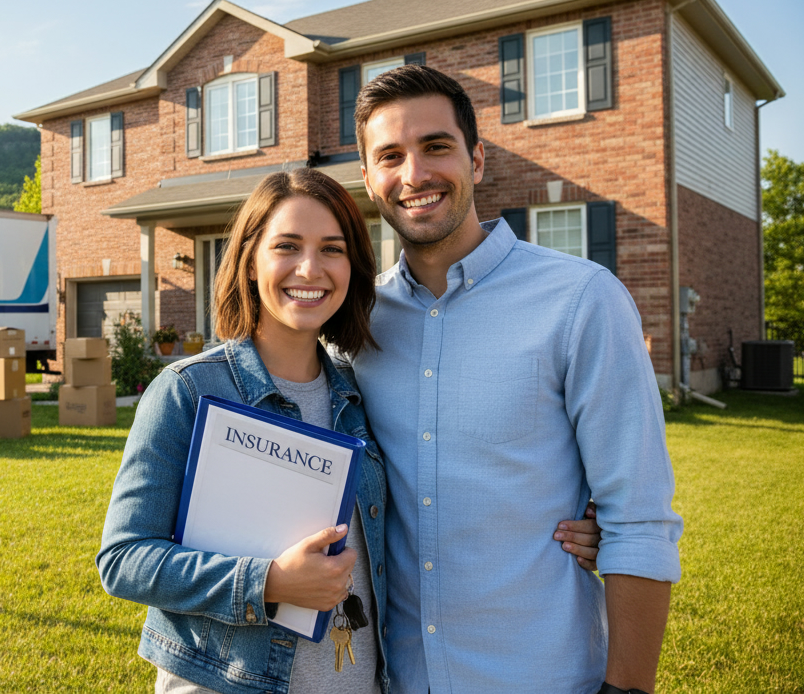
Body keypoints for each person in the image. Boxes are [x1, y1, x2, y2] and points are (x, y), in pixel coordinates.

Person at [97, 167, 602, 694]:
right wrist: (268, 582)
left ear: (353, 267)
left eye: (332, 249)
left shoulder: (356, 394)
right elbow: (124, 559)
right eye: (287, 246)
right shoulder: (188, 390)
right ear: (249, 259)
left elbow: (428, 489)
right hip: (232, 682)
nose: (310, 269)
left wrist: (583, 525)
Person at [351, 64, 683, 694]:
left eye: (436, 147)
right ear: (369, 179)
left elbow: (638, 518)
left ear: (476, 160)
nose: (414, 174)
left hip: (543, 675)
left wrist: (628, 687)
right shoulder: (356, 322)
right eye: (390, 156)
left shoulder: (583, 299)